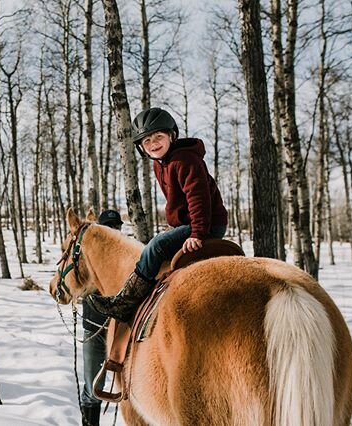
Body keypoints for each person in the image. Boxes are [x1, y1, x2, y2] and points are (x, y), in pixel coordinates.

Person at [89, 107, 228, 323]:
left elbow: (198, 198)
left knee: (155, 246)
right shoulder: (160, 164)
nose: (153, 144)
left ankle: (126, 302)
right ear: (141, 147)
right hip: (191, 223)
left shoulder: (185, 161)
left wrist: (198, 233)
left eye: (158, 137)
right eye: (147, 141)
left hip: (207, 223)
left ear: (172, 135)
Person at [81, 209, 123, 426]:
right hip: (94, 329)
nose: (114, 230)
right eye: (110, 226)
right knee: (92, 386)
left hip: (120, 333)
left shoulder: (126, 257)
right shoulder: (91, 257)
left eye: (117, 226)